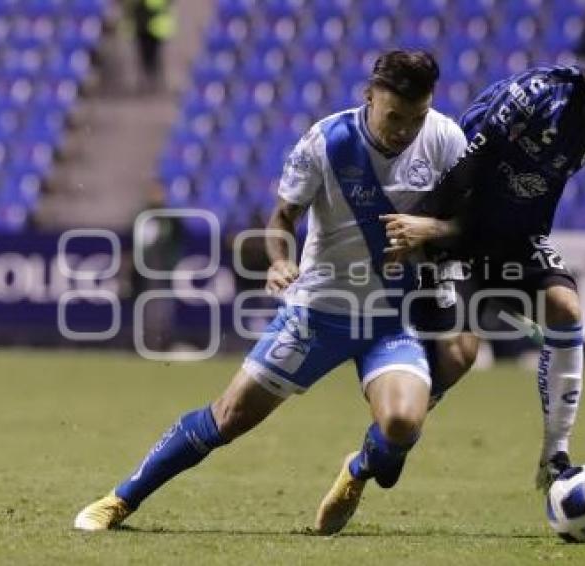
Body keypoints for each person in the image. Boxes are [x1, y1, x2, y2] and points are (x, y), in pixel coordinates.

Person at [73, 50, 472, 532]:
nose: (405, 130)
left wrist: (430, 230)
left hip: (392, 318)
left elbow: (471, 222)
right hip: (319, 310)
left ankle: (357, 469)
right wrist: (281, 261)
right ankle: (121, 500)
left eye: (417, 117)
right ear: (369, 97)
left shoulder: (447, 139)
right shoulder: (326, 142)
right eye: (394, 116)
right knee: (228, 417)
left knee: (403, 424)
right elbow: (283, 217)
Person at [317, 40, 585, 532]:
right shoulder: (533, 98)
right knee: (460, 355)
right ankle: (368, 460)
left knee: (566, 308)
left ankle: (555, 456)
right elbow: (461, 170)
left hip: (514, 240)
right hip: (456, 230)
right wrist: (427, 229)